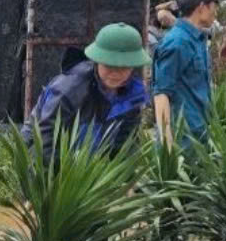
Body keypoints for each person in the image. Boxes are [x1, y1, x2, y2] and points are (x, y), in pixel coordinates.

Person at [22, 23, 150, 164]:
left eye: (124, 67)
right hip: (42, 153)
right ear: (97, 60)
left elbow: (126, 142)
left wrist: (125, 179)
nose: (116, 73)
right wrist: (51, 181)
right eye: (109, 65)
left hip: (86, 158)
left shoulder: (133, 95)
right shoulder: (69, 89)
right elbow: (46, 138)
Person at [152, 0, 224, 147]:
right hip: (181, 143)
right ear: (202, 7)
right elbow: (161, 93)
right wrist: (167, 146)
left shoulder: (198, 39)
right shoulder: (177, 42)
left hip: (198, 135)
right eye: (214, 5)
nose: (216, 12)